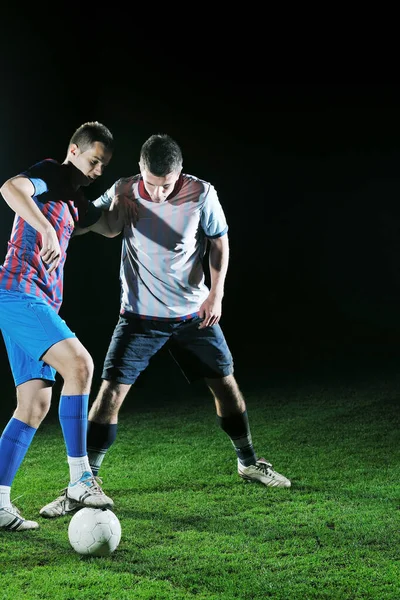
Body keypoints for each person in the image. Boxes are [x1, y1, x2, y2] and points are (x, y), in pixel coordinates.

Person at [40, 133, 291, 519]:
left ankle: (248, 462)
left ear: (180, 173)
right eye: (152, 185)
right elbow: (88, 220)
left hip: (194, 315)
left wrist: (216, 295)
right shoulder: (124, 189)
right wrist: (48, 224)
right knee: (108, 397)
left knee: (226, 385)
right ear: (140, 170)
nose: (158, 194)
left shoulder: (202, 194)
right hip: (139, 318)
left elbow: (219, 242)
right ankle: (82, 485)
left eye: (167, 185)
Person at [0, 121, 131, 531]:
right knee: (80, 365)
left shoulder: (76, 202)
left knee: (34, 405)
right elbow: (10, 188)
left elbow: (109, 227)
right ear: (73, 150)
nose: (96, 171)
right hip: (19, 293)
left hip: (36, 302)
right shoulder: (52, 175)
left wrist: (133, 193)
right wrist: (45, 231)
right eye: (93, 161)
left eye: (103, 166)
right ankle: (80, 479)